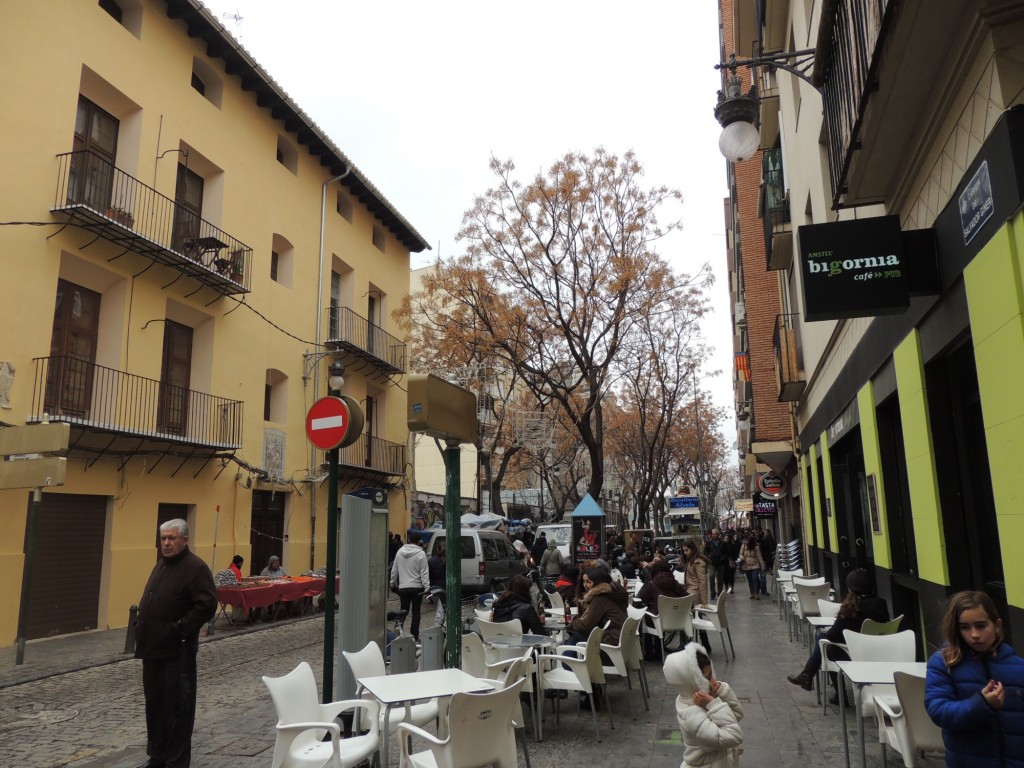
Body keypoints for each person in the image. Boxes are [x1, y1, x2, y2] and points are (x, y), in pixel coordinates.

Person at [134, 519, 216, 768]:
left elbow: (207, 604)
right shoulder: (161, 565)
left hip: (176, 654)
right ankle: (157, 756)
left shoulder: (195, 568)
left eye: (171, 538)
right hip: (152, 651)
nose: (166, 543)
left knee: (177, 710)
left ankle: (176, 761)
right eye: (163, 539)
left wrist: (180, 629)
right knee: (155, 707)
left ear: (185, 540)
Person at [925, 590, 1024, 767]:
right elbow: (938, 711)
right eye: (965, 627)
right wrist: (982, 704)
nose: (974, 634)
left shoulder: (1018, 666)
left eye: (981, 625)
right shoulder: (944, 664)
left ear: (997, 625)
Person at [786, 568, 889, 703]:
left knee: (825, 645)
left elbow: (832, 635)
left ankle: (838, 694)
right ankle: (807, 675)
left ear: (851, 588)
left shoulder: (851, 608)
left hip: (852, 654)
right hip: (878, 652)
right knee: (823, 641)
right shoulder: (881, 604)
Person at [664, 642, 744, 768]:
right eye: (707, 677)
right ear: (692, 681)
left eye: (712, 674)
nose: (713, 681)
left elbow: (737, 714)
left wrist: (721, 691)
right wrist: (713, 704)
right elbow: (734, 736)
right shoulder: (691, 714)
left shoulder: (702, 697)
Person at [565, 565, 628, 647]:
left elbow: (586, 625)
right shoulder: (613, 592)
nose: (585, 585)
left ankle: (567, 659)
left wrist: (571, 624)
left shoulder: (600, 598)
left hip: (610, 639)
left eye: (589, 582)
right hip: (620, 636)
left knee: (575, 638)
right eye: (584, 581)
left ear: (598, 582)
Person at [636, 559, 688, 659]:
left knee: (647, 617)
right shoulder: (675, 583)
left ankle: (650, 653)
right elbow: (686, 597)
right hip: (678, 620)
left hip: (659, 621)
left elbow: (643, 600)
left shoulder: (651, 584)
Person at [390, 533, 430, 642]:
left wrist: (392, 583)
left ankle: (399, 630)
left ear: (408, 540)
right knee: (416, 611)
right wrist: (427, 587)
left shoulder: (400, 552)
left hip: (403, 587)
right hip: (417, 587)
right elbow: (424, 573)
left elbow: (394, 570)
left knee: (403, 610)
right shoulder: (421, 554)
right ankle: (415, 634)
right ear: (419, 541)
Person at [679, 538, 711, 608]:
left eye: (687, 550)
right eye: (683, 551)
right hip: (691, 591)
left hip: (695, 592)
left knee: (695, 615)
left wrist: (704, 602)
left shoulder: (698, 562)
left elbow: (702, 581)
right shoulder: (690, 560)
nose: (685, 553)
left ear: (692, 549)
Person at [737, 534, 764, 600]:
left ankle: (756, 593)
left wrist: (762, 565)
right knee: (750, 580)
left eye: (748, 541)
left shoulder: (756, 547)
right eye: (746, 540)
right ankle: (752, 593)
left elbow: (759, 557)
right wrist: (742, 557)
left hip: (755, 565)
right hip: (746, 565)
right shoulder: (743, 546)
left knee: (755, 578)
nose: (746, 541)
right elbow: (740, 554)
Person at [426, 543, 446, 627]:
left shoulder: (431, 561)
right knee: (442, 610)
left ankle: (440, 626)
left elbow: (428, 575)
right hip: (444, 588)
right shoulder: (449, 560)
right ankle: (440, 627)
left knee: (439, 609)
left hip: (434, 588)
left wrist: (427, 589)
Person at [705, 529, 726, 600]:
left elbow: (726, 552)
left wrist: (722, 558)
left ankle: (719, 593)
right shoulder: (709, 542)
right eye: (713, 534)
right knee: (711, 576)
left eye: (715, 534)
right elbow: (705, 551)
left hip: (720, 563)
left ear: (718, 534)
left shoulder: (722, 543)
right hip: (712, 563)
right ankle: (712, 593)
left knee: (720, 578)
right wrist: (709, 557)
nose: (714, 535)